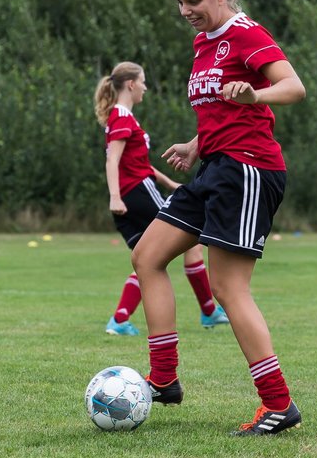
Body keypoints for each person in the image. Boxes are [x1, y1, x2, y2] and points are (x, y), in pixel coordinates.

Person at [130, 0, 306, 436]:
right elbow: (218, 108)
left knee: (229, 287)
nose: (186, 12)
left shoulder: (247, 34)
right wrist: (195, 142)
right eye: (180, 3)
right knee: (147, 256)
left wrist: (257, 92)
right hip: (215, 167)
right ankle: (164, 379)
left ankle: (278, 405)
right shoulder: (204, 42)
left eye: (194, 2)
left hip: (249, 171)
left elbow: (293, 87)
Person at [93, 61, 230, 336]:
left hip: (131, 194)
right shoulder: (122, 116)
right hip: (137, 193)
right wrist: (114, 197)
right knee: (189, 242)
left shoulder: (119, 117)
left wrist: (169, 182)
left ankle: (120, 319)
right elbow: (113, 161)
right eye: (143, 81)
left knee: (146, 257)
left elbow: (137, 162)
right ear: (131, 84)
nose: (145, 87)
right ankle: (208, 311)